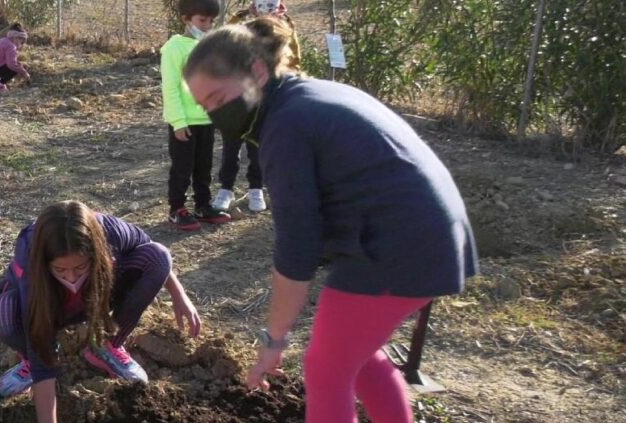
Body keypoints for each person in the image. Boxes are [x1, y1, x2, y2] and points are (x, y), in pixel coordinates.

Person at [184, 18, 476, 423]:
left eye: (218, 98)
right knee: (358, 358)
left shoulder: (286, 125)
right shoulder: (307, 95)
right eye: (206, 106)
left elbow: (297, 245)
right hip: (431, 234)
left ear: (257, 71)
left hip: (395, 246)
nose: (216, 113)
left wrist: (274, 339)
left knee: (326, 371)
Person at [0, 201, 202, 423]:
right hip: (49, 305)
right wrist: (41, 363)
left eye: (80, 267)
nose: (71, 278)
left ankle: (107, 345)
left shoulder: (110, 231)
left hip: (95, 299)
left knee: (158, 255)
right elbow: (37, 337)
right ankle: (31, 363)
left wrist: (179, 295)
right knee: (2, 313)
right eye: (60, 269)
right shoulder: (30, 256)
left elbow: (157, 256)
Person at [209, 0, 302, 213]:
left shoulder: (285, 27)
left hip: (266, 96)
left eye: (271, 4)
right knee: (231, 145)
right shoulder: (243, 22)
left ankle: (256, 188)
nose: (266, 9)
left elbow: (295, 58)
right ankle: (226, 189)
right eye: (261, 4)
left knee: (257, 146)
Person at [161, 0, 232, 231]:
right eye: (202, 20)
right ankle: (177, 209)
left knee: (203, 166)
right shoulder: (174, 47)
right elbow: (170, 88)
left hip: (206, 119)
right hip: (184, 121)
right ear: (186, 19)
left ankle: (203, 205)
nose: (207, 25)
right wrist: (178, 121)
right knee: (182, 167)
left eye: (211, 21)